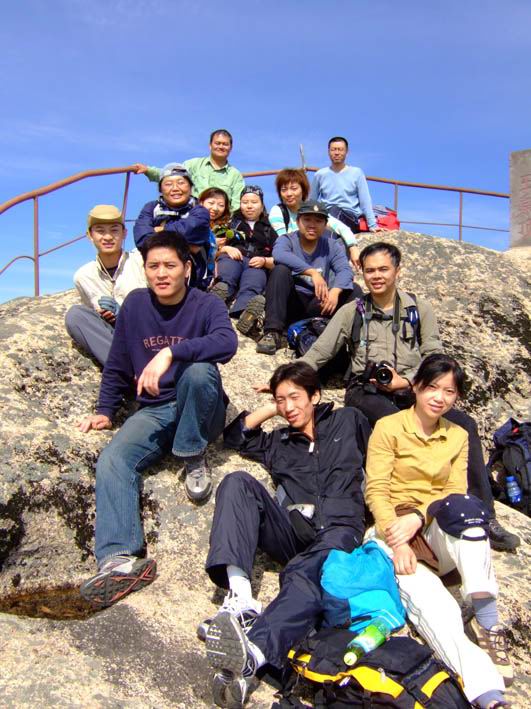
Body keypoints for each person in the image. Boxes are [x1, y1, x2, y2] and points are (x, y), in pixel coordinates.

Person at [301, 241, 520, 553]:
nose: (376, 276)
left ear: (397, 271)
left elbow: (434, 355)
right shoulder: (353, 311)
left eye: (383, 269)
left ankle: (483, 514)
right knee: (397, 424)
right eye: (370, 270)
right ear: (362, 273)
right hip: (365, 389)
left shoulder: (419, 309)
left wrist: (408, 382)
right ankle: (404, 502)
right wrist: (287, 380)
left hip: (411, 387)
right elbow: (320, 352)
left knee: (464, 425)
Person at [78, 232, 238, 608]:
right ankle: (119, 559)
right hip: (154, 409)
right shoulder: (135, 304)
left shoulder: (206, 304)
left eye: (169, 265)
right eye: (153, 266)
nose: (161, 274)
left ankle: (192, 453)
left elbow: (226, 343)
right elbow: (118, 361)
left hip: (200, 406)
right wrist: (105, 410)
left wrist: (171, 353)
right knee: (114, 459)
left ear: (187, 268)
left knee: (199, 371)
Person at [203, 361, 370, 708]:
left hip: (341, 532)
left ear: (315, 395)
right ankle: (241, 599)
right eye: (282, 400)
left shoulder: (348, 420)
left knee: (304, 575)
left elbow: (383, 459)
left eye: (295, 397)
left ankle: (254, 653)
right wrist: (272, 406)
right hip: (294, 534)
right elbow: (236, 436)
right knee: (236, 482)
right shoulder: (279, 441)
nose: (289, 407)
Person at [365, 353, 512, 708]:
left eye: (449, 391)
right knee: (439, 611)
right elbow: (376, 490)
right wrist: (397, 540)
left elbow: (455, 492)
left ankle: (487, 619)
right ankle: (488, 694)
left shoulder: (458, 435)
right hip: (394, 532)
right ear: (416, 387)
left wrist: (419, 515)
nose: (439, 397)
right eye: (432, 387)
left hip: (434, 527)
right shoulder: (389, 428)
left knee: (468, 512)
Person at [256, 200, 360, 355]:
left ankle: (355, 341)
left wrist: (336, 291)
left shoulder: (332, 245)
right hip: (291, 302)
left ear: (325, 225)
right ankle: (272, 332)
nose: (312, 225)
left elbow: (345, 270)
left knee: (354, 290)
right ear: (298, 221)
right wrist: (312, 272)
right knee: (280, 270)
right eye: (307, 220)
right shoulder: (287, 240)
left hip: (317, 304)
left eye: (318, 221)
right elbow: (279, 255)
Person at [65, 205, 146, 366]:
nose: (108, 237)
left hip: (146, 334)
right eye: (100, 231)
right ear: (89, 235)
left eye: (114, 230)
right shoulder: (83, 276)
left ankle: (131, 369)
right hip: (114, 339)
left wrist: (123, 313)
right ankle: (126, 370)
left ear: (124, 233)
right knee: (75, 315)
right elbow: (94, 317)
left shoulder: (142, 261)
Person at [133, 163, 212, 289]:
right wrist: (185, 242)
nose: (175, 188)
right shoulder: (151, 208)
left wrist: (160, 230)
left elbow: (194, 230)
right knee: (135, 257)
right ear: (160, 189)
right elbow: (141, 238)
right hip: (154, 260)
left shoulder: (200, 211)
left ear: (191, 187)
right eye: (168, 184)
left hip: (192, 273)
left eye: (181, 183)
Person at [211, 185, 277, 336]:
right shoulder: (230, 222)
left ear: (262, 205)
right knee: (226, 276)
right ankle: (216, 301)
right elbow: (212, 243)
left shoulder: (269, 228)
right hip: (233, 256)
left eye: (254, 202)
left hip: (256, 263)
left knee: (253, 283)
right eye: (245, 202)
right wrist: (225, 248)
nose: (249, 206)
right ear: (240, 204)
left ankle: (245, 315)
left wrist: (264, 260)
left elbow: (277, 255)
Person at [269, 167, 360, 267]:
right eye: (284, 190)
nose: (289, 194)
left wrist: (353, 247)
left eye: (294, 189)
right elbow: (284, 243)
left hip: (314, 255)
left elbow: (341, 227)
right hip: (292, 260)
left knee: (339, 243)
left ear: (303, 190)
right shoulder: (278, 211)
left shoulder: (312, 209)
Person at [133, 129, 245, 211]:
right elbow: (171, 175)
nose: (221, 147)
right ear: (210, 145)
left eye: (225, 144)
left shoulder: (235, 175)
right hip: (190, 217)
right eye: (217, 143)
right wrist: (148, 170)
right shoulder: (193, 164)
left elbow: (236, 205)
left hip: (219, 223)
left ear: (230, 148)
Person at [310, 136, 378, 232]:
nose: (337, 153)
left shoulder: (356, 173)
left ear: (347, 152)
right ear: (328, 152)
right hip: (326, 215)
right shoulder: (320, 174)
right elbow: (312, 201)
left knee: (334, 211)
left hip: (350, 217)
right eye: (333, 149)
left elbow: (365, 201)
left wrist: (372, 225)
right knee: (324, 215)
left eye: (340, 149)